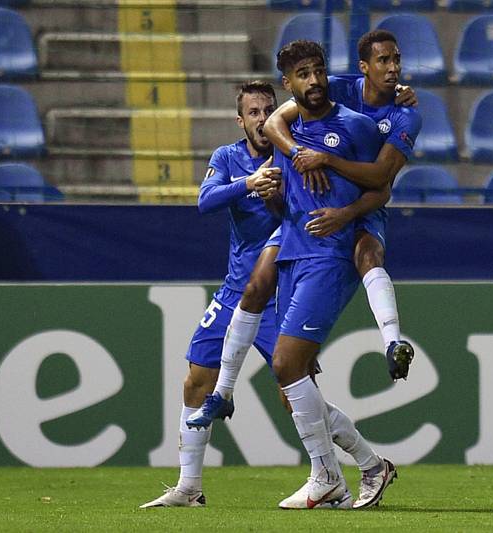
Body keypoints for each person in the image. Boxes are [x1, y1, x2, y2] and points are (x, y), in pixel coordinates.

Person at [139, 81, 283, 508]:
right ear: (241, 121)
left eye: (267, 110)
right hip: (234, 291)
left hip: (278, 292)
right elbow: (205, 201)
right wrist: (250, 183)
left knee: (296, 391)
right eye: (253, 112)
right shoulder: (227, 157)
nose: (261, 118)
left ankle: (355, 467)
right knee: (196, 379)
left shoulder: (293, 154)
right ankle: (189, 486)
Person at [266, 39, 387, 509]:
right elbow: (288, 199)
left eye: (318, 71)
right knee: (293, 385)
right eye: (303, 75)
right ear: (289, 84)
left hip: (330, 255)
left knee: (284, 364)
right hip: (292, 254)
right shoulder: (288, 130)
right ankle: (369, 466)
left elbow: (381, 186)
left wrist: (346, 215)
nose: (314, 81)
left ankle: (326, 475)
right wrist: (272, 194)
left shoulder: (354, 126)